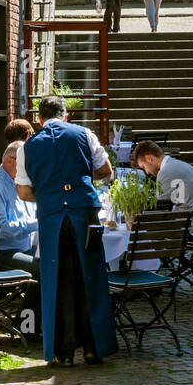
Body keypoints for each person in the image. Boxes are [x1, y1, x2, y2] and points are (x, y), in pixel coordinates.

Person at [15, 93, 118, 366]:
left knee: (57, 281)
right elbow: (105, 169)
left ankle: (64, 352)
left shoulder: (28, 146)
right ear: (66, 115)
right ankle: (94, 348)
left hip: (51, 218)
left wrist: (50, 195)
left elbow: (24, 191)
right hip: (84, 213)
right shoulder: (84, 134)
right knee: (92, 277)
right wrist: (81, 178)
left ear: (38, 119)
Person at [0, 142, 40, 340]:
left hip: (23, 248)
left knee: (57, 261)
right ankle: (26, 325)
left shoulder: (18, 182)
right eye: (25, 165)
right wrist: (38, 223)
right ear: (10, 161)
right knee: (42, 268)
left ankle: (46, 322)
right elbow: (1, 230)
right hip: (2, 253)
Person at [130, 141, 193, 236]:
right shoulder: (176, 164)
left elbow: (160, 208)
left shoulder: (165, 171)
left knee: (137, 228)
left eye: (144, 167)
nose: (146, 172)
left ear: (149, 158)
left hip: (189, 228)